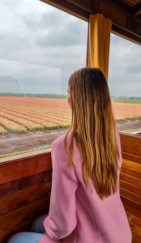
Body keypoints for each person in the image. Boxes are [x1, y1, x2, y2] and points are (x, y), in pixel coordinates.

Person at [8, 68, 131, 243]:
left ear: (76, 99)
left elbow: (63, 227)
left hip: (90, 239)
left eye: (69, 93)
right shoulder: (113, 137)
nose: (68, 99)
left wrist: (52, 229)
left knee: (15, 238)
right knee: (38, 224)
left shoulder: (64, 147)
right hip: (120, 234)